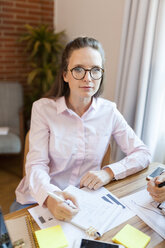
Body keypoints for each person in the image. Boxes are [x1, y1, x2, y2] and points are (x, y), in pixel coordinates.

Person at [13, 37, 151, 221]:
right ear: (65, 74)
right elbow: (36, 165)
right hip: (39, 200)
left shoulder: (109, 111)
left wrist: (108, 172)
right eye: (78, 69)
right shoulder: (43, 109)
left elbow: (142, 153)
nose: (88, 78)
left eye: (95, 70)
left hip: (86, 201)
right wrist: (51, 198)